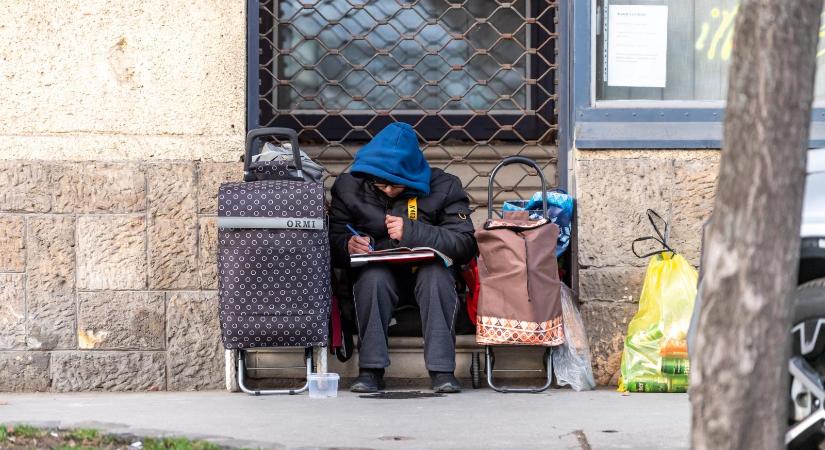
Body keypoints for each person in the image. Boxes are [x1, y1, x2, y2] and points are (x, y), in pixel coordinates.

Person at [329, 122, 477, 393]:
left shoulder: (445, 186)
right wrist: (348, 245)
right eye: (380, 184)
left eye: (395, 186)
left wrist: (412, 231)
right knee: (373, 277)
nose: (386, 190)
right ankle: (371, 370)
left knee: (435, 275)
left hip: (426, 276)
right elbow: (331, 242)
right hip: (377, 278)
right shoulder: (349, 187)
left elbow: (465, 243)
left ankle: (442, 371)